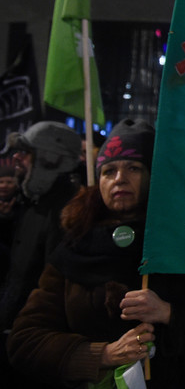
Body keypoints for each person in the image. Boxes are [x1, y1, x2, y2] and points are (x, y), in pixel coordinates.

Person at [6, 119, 185, 388]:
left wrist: (169, 313)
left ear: (154, 176)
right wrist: (103, 354)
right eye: (108, 171)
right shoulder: (74, 247)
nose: (119, 179)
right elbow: (25, 340)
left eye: (134, 168)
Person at [0, 122, 81, 333]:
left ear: (50, 160)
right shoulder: (34, 201)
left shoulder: (67, 212)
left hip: (33, 334)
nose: (17, 158)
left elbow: (52, 290)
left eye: (26, 152)